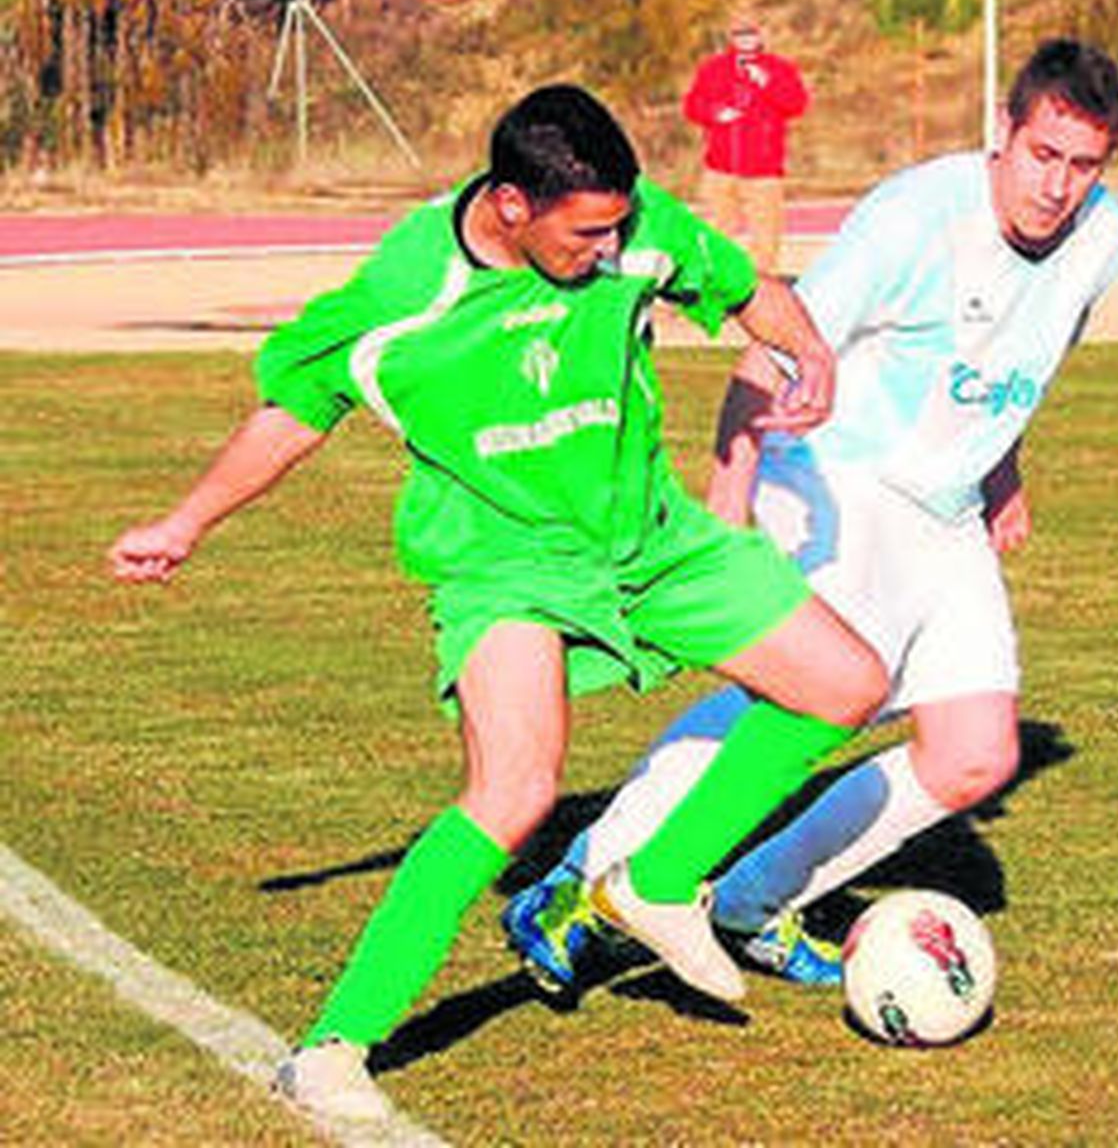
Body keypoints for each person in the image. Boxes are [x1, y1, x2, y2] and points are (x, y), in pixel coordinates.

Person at [107, 85, 887, 1122]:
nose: (610, 250)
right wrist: (185, 523)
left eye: (618, 227)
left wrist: (812, 352)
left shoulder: (634, 228)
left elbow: (743, 285)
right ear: (512, 206)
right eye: (586, 234)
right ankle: (335, 1046)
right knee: (516, 788)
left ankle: (655, 883)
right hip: (501, 563)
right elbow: (295, 412)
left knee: (846, 683)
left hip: (650, 537)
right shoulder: (406, 291)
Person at [504, 38, 1118, 990]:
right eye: (1043, 154)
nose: (1058, 185)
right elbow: (772, 346)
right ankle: (580, 884)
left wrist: (1003, 469)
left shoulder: (1106, 237)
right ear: (1004, 131)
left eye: (1083, 165)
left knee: (972, 755)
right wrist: (731, 494)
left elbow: (1034, 349)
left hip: (945, 509)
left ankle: (751, 902)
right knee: (801, 692)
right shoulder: (915, 218)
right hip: (842, 478)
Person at [682, 14, 808, 275]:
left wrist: (767, 83)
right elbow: (692, 106)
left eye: (751, 33)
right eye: (740, 34)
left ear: (761, 36)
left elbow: (797, 104)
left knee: (765, 237)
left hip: (763, 170)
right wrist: (715, 113)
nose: (746, 39)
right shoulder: (713, 69)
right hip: (720, 168)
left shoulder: (779, 68)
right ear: (731, 37)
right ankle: (717, 283)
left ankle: (761, 285)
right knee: (716, 234)